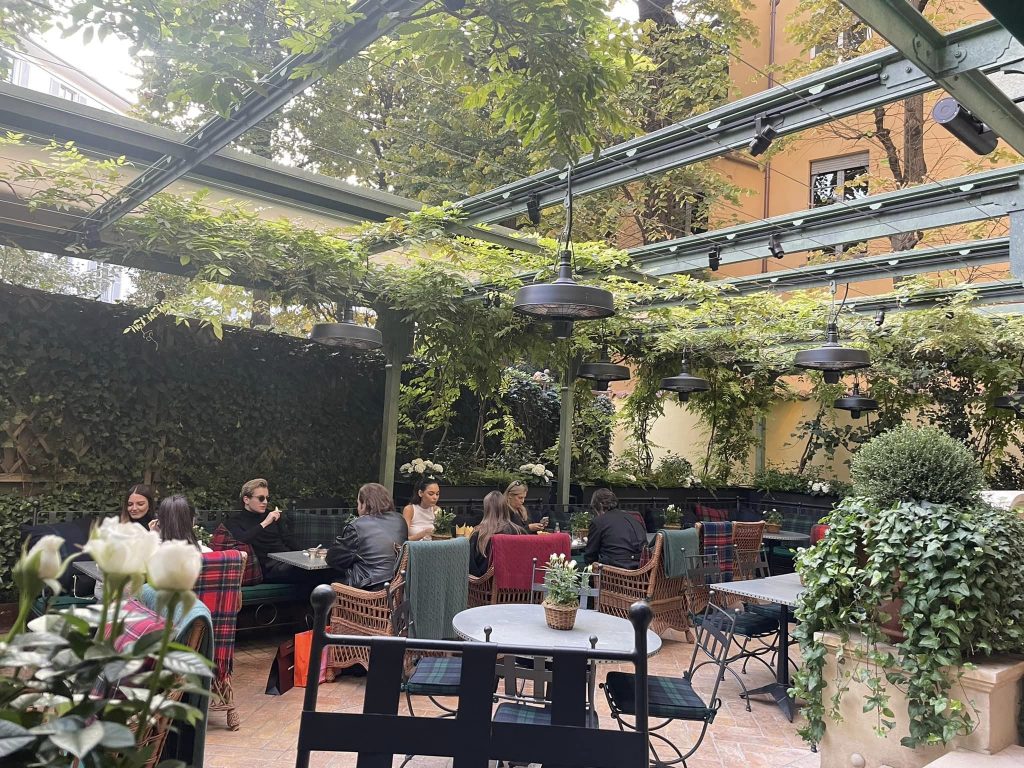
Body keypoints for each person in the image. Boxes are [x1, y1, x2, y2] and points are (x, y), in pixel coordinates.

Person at [326, 483, 408, 590]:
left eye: (358, 503)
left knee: (326, 583)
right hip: (396, 588)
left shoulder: (358, 525)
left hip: (367, 590)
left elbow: (333, 558)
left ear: (364, 504)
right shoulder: (400, 520)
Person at [226, 478, 302, 583]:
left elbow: (288, 539)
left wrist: (305, 554)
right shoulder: (235, 521)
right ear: (246, 499)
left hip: (286, 560)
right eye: (261, 498)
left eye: (267, 498)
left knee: (322, 569)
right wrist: (265, 523)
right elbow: (242, 540)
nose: (265, 502)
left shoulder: (272, 516)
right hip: (265, 568)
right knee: (302, 571)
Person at [583, 488, 648, 570]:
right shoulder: (633, 518)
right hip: (642, 569)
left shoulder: (599, 522)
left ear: (599, 505)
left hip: (615, 572)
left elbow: (590, 556)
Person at [469, 490, 528, 577]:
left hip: (483, 587)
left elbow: (471, 567)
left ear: (486, 508)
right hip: (515, 585)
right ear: (505, 507)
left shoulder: (478, 534)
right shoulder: (519, 531)